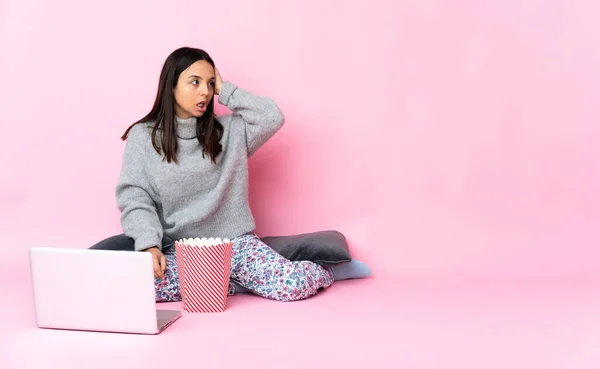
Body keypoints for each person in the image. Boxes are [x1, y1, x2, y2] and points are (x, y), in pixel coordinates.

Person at [90, 47, 371, 302]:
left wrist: (225, 89)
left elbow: (271, 116)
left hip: (235, 245)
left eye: (210, 83)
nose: (205, 91)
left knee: (292, 286)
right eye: (195, 82)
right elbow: (135, 198)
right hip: (180, 252)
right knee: (136, 289)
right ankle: (237, 283)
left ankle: (331, 271)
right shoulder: (143, 137)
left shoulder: (229, 132)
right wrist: (149, 245)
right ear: (171, 84)